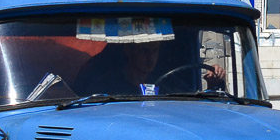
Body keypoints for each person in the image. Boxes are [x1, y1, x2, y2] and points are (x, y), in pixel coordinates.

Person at [74, 40, 224, 97]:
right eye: (145, 51)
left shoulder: (168, 82)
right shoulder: (107, 85)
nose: (151, 58)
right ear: (129, 50)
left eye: (155, 51)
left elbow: (190, 104)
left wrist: (211, 84)